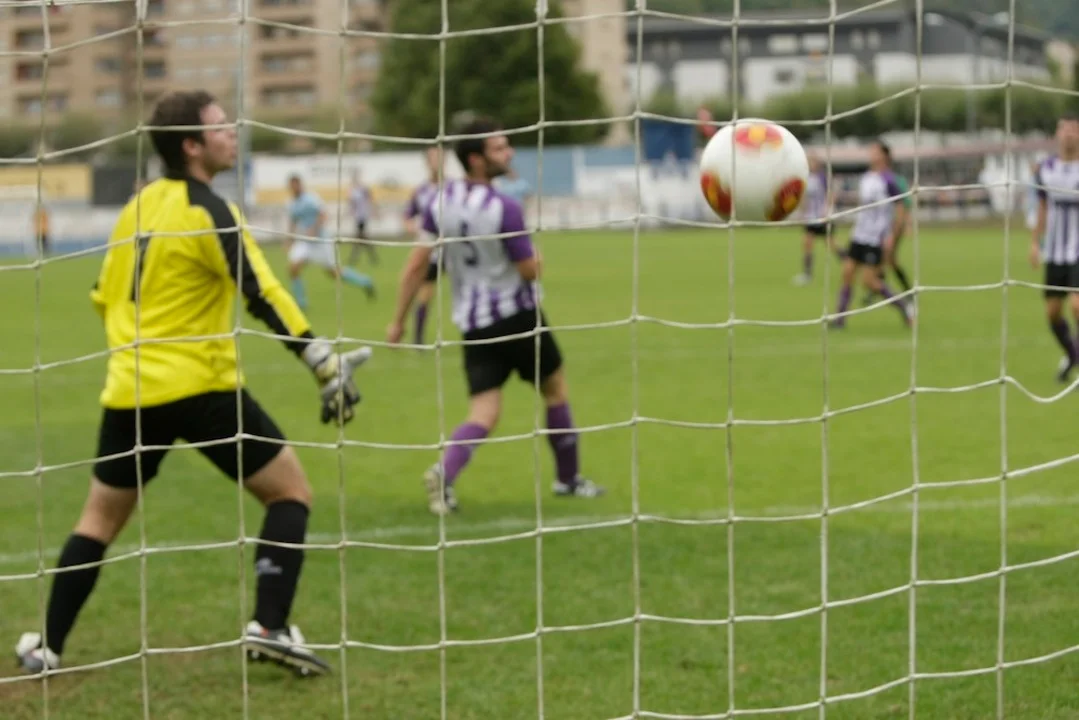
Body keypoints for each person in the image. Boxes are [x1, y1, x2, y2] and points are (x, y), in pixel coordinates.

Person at [13, 89, 372, 678]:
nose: (233, 133)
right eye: (221, 126)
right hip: (202, 389)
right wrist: (321, 361)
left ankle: (46, 647)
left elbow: (102, 294)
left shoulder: (137, 207)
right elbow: (261, 290)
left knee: (97, 521)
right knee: (290, 495)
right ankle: (269, 627)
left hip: (130, 392)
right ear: (191, 146)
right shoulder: (210, 210)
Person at [386, 116, 604, 515]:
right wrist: (539, 258)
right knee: (555, 388)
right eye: (500, 148)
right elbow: (528, 270)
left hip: (474, 324)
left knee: (484, 410)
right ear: (476, 159)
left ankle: (445, 471)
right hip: (518, 316)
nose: (509, 153)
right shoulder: (505, 208)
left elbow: (416, 264)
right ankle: (568, 479)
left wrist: (398, 320)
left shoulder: (440, 201)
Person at [831, 139, 914, 330]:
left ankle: (904, 308)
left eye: (875, 151)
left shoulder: (889, 180)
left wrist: (892, 235)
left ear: (884, 155)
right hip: (859, 235)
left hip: (875, 238)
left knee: (869, 282)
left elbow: (901, 207)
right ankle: (840, 319)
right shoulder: (867, 177)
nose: (871, 154)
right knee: (847, 273)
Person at [1029, 115, 1079, 383]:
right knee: (1052, 312)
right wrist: (1035, 242)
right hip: (1056, 252)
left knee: (1077, 306)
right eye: (1064, 129)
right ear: (1057, 134)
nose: (1069, 134)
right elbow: (1042, 207)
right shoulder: (1046, 169)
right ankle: (1072, 356)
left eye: (1074, 129)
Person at [285, 175, 375, 310]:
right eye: (292, 186)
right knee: (293, 268)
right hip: (305, 241)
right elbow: (293, 221)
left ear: (300, 185)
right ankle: (301, 303)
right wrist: (289, 239)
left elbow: (323, 215)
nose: (294, 188)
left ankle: (365, 281)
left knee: (334, 273)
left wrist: (314, 229)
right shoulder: (291, 203)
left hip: (321, 240)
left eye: (296, 185)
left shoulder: (311, 199)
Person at [406, 147, 446, 347]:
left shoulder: (454, 188)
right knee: (425, 293)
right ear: (427, 162)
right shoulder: (420, 191)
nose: (437, 161)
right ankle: (418, 339)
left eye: (440, 157)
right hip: (431, 250)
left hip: (455, 249)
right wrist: (414, 228)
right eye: (433, 158)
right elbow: (408, 216)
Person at [792, 153, 837, 286]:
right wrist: (802, 212)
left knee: (832, 245)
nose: (811, 164)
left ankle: (849, 262)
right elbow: (803, 197)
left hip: (821, 217)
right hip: (810, 218)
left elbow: (831, 194)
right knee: (807, 243)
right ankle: (807, 274)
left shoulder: (822, 178)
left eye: (813, 162)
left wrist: (827, 210)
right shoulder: (806, 178)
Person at [346, 170, 378, 267]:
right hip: (357, 216)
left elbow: (370, 199)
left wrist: (374, 211)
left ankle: (354, 257)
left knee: (359, 236)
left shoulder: (363, 189)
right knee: (361, 237)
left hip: (363, 215)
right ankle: (372, 257)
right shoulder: (352, 190)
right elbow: (352, 203)